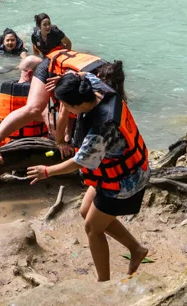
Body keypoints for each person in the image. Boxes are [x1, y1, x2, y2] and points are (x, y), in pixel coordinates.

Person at [27, 68, 150, 281]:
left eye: (65, 105)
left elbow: (78, 162)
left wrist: (47, 171)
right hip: (119, 170)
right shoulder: (97, 88)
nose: (63, 109)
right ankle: (137, 249)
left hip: (125, 181)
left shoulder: (102, 127)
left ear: (78, 105)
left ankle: (103, 283)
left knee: (92, 228)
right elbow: (83, 74)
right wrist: (65, 80)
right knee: (86, 211)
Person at [0, 26, 104, 161]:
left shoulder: (84, 74)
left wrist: (65, 139)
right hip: (53, 69)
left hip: (62, 69)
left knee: (36, 109)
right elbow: (64, 110)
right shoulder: (66, 63)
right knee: (34, 108)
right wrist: (60, 141)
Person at [0, 55, 50, 144]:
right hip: (33, 146)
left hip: (6, 144)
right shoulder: (36, 94)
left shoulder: (7, 90)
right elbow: (50, 121)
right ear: (30, 74)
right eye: (42, 74)